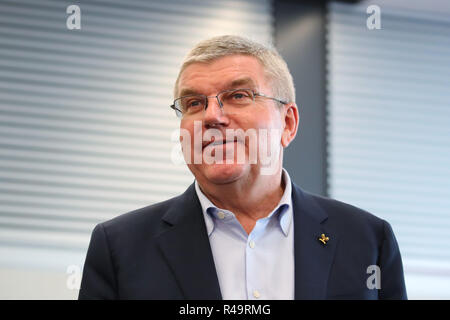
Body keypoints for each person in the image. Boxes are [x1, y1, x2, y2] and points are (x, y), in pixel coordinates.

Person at [79, 35, 407, 300]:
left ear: (288, 123)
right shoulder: (120, 248)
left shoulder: (366, 240)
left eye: (238, 95)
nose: (211, 116)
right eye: (194, 103)